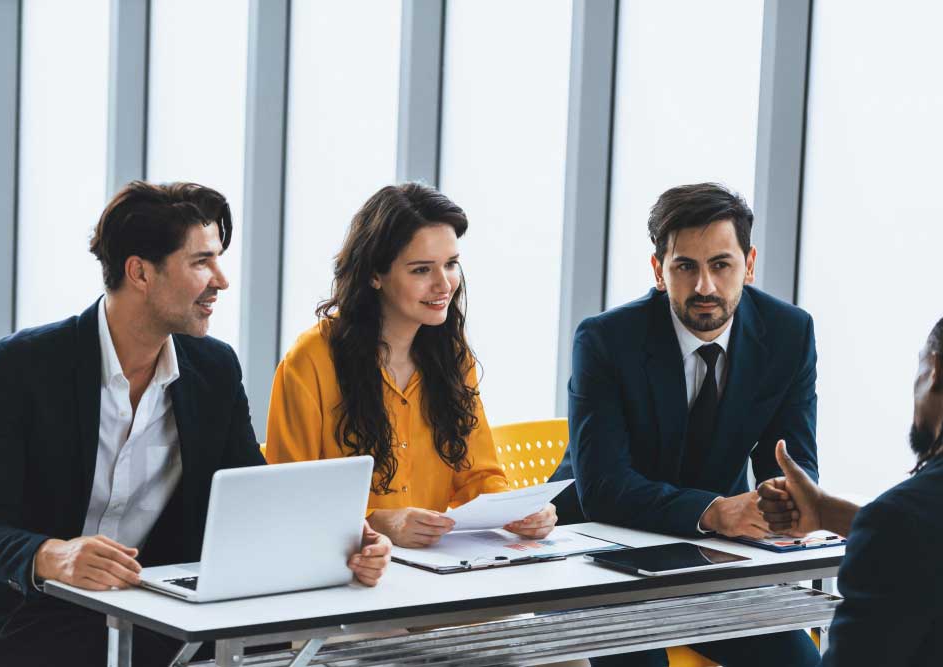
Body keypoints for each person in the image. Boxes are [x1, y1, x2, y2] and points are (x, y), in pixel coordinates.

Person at [0, 182, 390, 667]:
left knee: (279, 647)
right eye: (201, 262)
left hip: (149, 608)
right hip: (23, 611)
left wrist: (344, 539)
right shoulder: (23, 367)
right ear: (140, 272)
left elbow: (253, 497)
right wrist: (55, 555)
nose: (221, 280)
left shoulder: (213, 370)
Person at [561, 183, 821, 667]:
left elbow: (791, 460)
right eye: (686, 267)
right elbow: (603, 487)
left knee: (801, 664)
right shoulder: (605, 340)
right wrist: (715, 511)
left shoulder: (788, 333)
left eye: (721, 265)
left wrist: (786, 503)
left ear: (750, 263)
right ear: (660, 270)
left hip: (709, 560)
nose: (706, 287)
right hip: (601, 554)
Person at [265, 183, 556, 548]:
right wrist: (373, 521)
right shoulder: (310, 361)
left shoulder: (453, 356)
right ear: (374, 274)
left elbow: (478, 477)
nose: (444, 284)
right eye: (421, 270)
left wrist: (517, 511)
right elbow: (287, 500)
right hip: (341, 570)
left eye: (451, 264)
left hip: (432, 569)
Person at [758, 318, 943, 666]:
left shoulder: (901, 518)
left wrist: (879, 526)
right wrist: (825, 512)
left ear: (934, 370)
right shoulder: (905, 521)